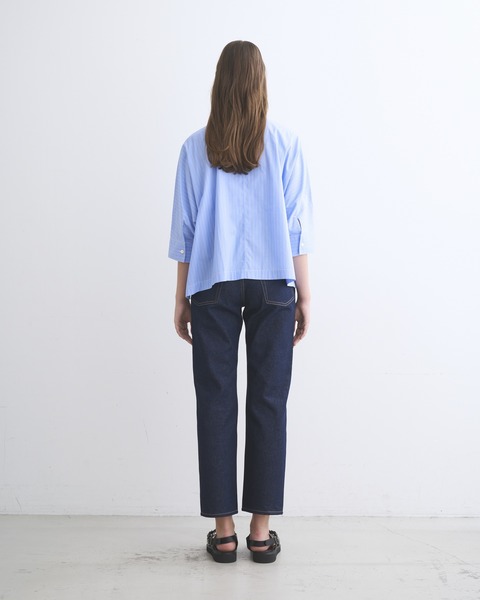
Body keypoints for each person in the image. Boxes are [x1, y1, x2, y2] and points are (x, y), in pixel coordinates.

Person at [168, 40, 313, 563]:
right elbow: (297, 226)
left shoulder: (194, 147)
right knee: (269, 400)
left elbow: (185, 229)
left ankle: (224, 532)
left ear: (220, 84)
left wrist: (181, 295)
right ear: (260, 84)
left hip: (212, 282)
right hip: (274, 281)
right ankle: (260, 533)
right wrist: (305, 293)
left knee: (215, 400)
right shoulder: (286, 144)